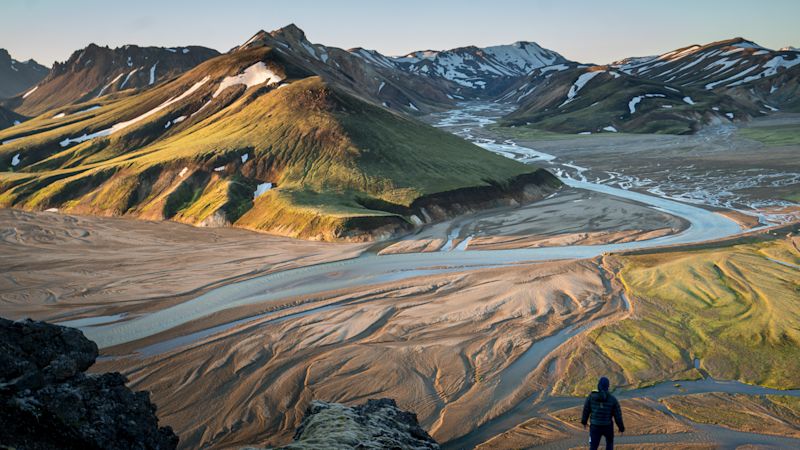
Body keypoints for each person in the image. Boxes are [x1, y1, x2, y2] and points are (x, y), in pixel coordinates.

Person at [581, 376, 624, 450]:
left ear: (598, 385)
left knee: (593, 446)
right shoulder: (612, 399)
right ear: (608, 386)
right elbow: (618, 416)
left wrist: (584, 422)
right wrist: (621, 428)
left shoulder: (591, 397)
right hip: (608, 427)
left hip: (594, 427)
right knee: (609, 444)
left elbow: (586, 410)